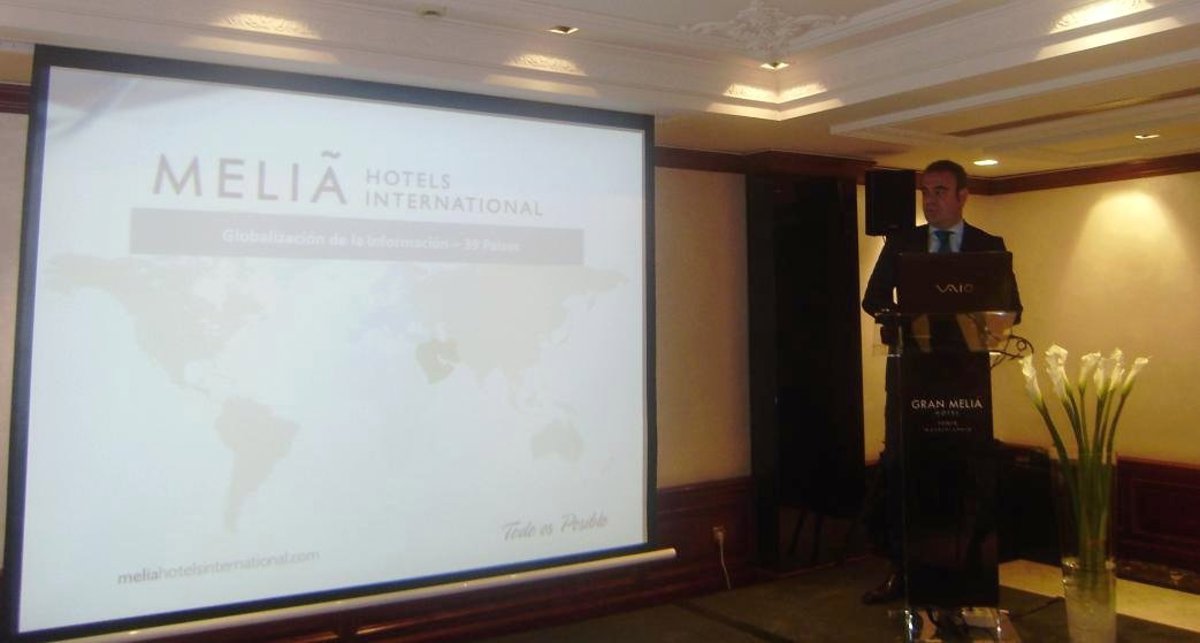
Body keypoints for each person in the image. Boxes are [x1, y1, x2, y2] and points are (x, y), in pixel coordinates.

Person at [859, 159, 1022, 604]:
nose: (930, 201)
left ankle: (967, 567)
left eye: (940, 191)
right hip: (911, 374)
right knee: (904, 470)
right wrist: (908, 322)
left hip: (964, 380)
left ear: (963, 195)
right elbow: (873, 299)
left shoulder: (988, 246)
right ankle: (903, 570)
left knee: (963, 470)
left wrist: (973, 323)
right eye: (925, 192)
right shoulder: (903, 243)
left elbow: (1012, 308)